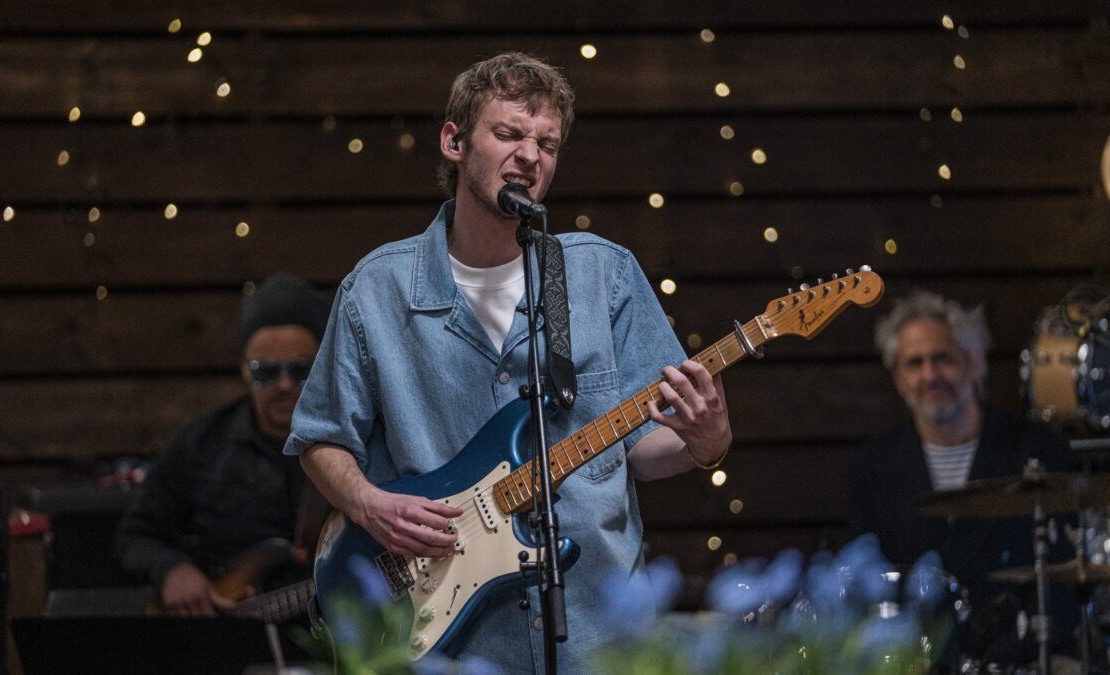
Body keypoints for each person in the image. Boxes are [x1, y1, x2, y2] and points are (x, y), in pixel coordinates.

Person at [285, 52, 732, 672]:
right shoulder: (377, 290)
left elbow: (641, 448)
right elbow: (320, 437)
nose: (530, 155)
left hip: (598, 637)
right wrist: (368, 504)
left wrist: (706, 443)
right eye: (508, 134)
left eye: (547, 143)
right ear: (454, 142)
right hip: (449, 645)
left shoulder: (603, 274)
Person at [846, 290, 1075, 663]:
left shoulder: (1036, 450)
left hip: (1018, 659)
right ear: (898, 378)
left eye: (943, 359)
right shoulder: (872, 465)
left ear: (975, 363)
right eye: (914, 363)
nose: (930, 375)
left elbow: (1063, 581)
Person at [117, 274, 332, 616]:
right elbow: (135, 536)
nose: (284, 384)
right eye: (266, 372)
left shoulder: (355, 443)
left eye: (300, 369)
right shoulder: (202, 442)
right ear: (244, 370)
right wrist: (173, 571)